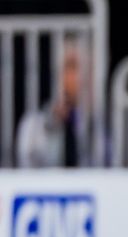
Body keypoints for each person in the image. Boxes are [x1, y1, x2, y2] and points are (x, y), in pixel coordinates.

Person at [16, 38, 99, 168]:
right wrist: (52, 129)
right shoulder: (34, 124)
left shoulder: (112, 123)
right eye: (72, 66)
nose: (82, 75)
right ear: (59, 73)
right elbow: (28, 173)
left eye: (89, 67)